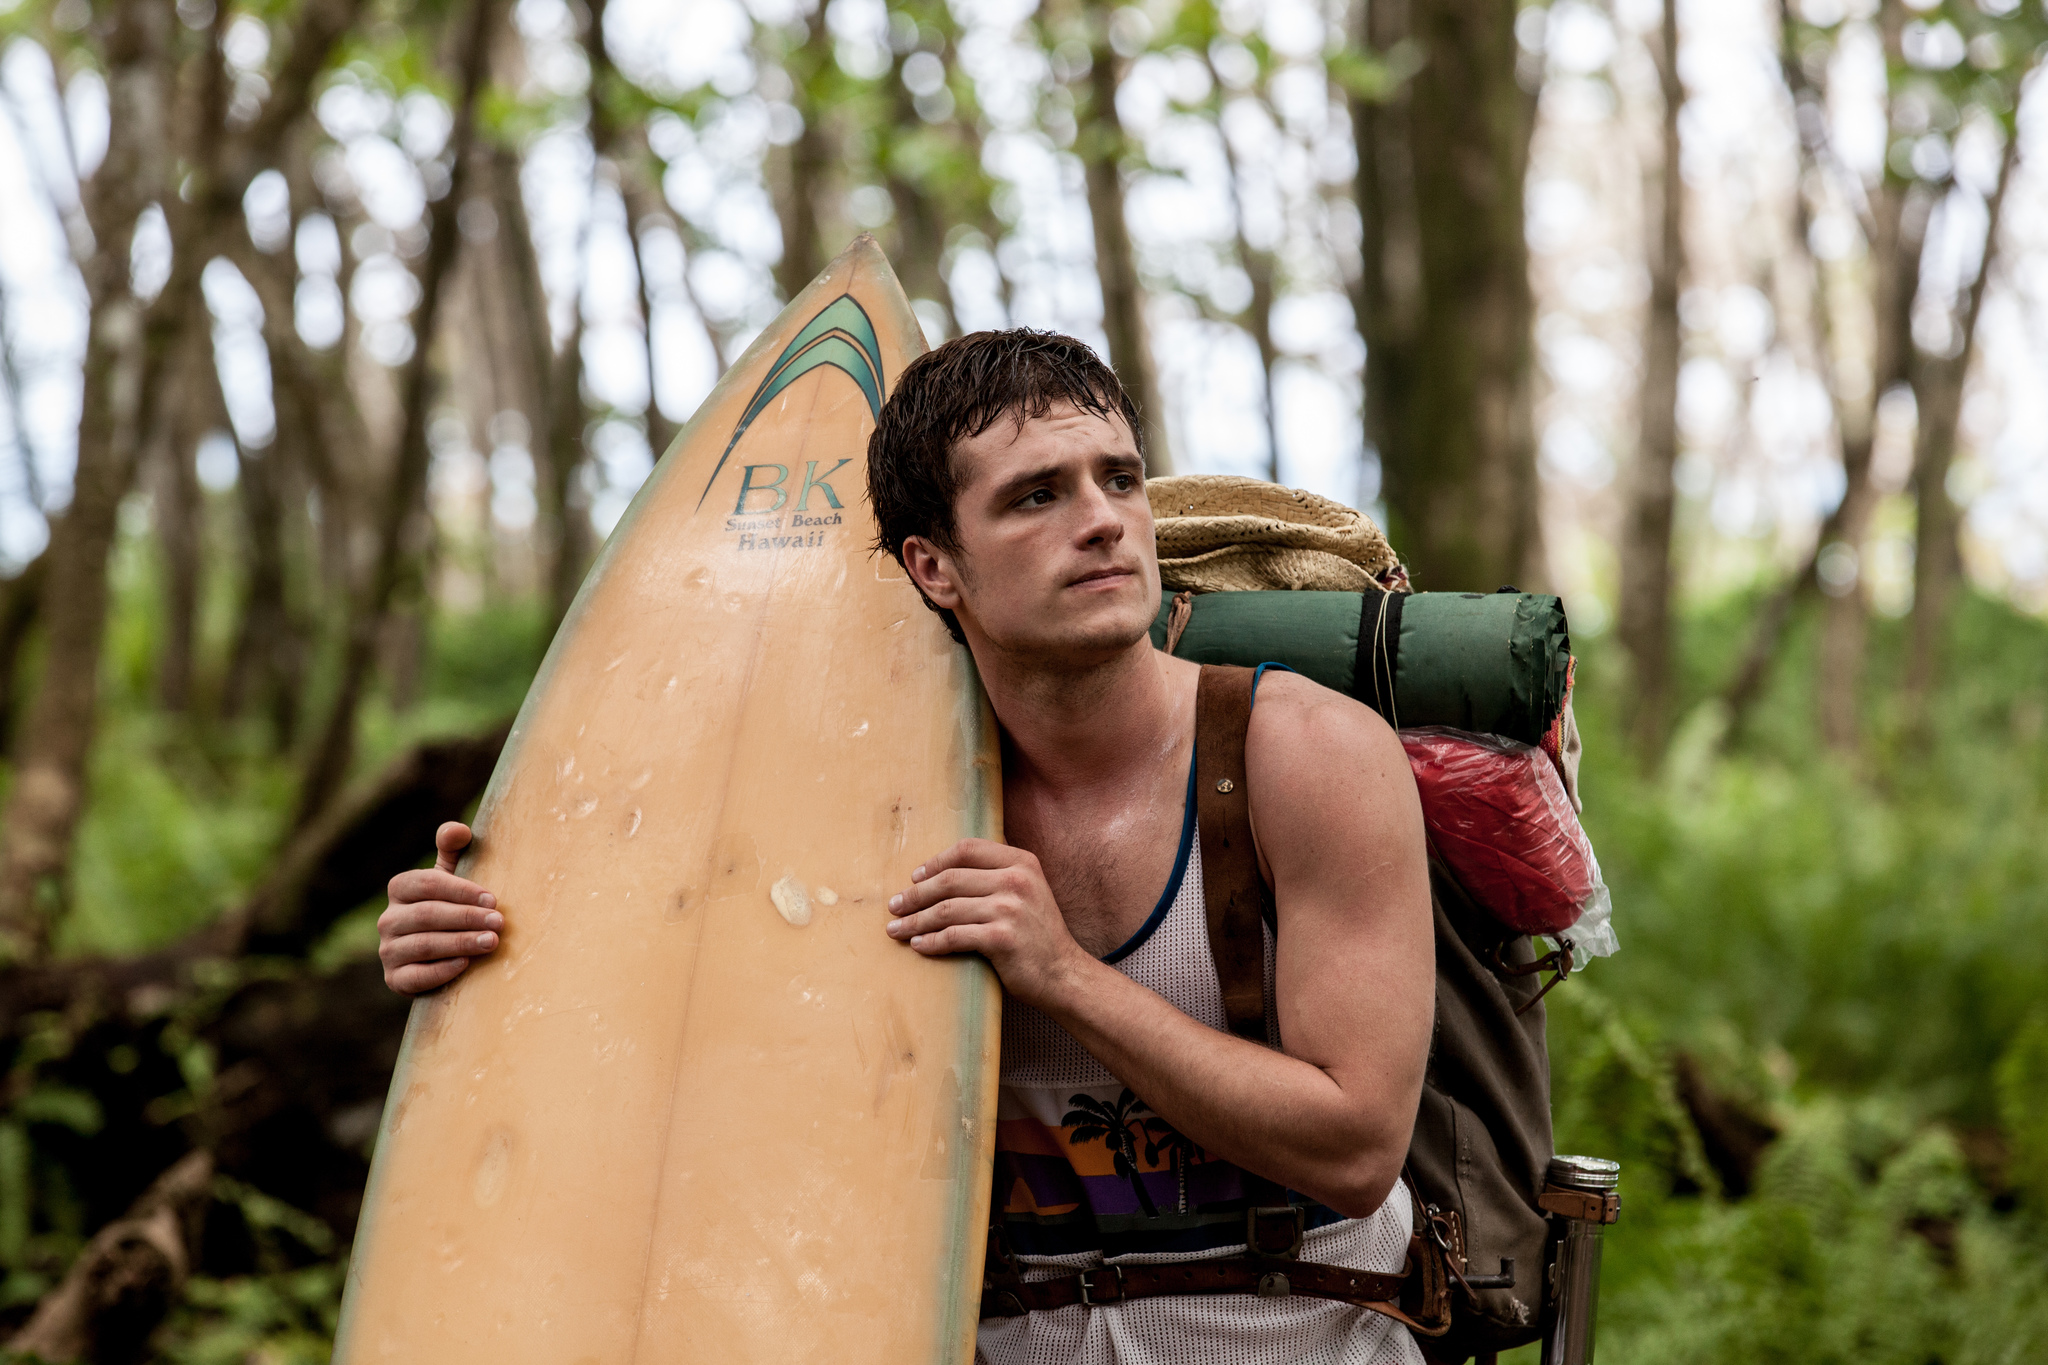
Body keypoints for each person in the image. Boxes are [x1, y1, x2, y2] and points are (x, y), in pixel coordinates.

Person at [377, 330, 1435, 1365]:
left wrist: (1061, 974)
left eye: (1118, 479)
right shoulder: (857, 798)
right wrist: (488, 953)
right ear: (934, 567)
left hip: (1296, 1332)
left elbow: (1354, 1149)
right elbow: (684, 1020)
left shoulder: (1301, 754)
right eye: (1036, 495)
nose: (1103, 522)